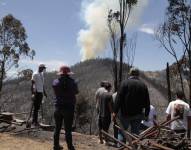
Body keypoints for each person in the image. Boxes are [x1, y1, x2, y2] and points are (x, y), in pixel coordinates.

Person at [113, 68, 150, 140]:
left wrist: (115, 112)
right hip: (138, 114)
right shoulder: (143, 85)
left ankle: (121, 147)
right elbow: (147, 101)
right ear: (138, 74)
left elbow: (118, 99)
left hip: (125, 114)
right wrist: (146, 114)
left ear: (130, 74)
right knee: (135, 133)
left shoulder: (124, 83)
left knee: (122, 132)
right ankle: (134, 147)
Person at [52, 65, 79, 150]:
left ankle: (56, 146)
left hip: (58, 108)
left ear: (60, 73)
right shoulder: (73, 82)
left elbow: (56, 88)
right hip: (69, 108)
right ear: (68, 74)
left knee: (57, 128)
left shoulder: (55, 82)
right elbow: (76, 92)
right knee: (68, 130)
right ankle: (70, 147)